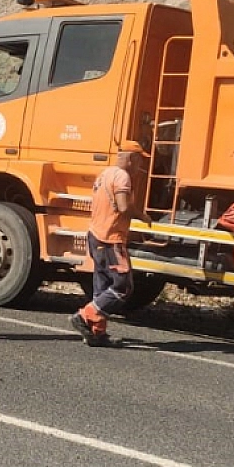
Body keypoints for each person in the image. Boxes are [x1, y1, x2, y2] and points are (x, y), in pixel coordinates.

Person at [71, 140, 148, 346]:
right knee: (123, 286)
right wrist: (142, 216)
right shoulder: (123, 177)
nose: (141, 163)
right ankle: (86, 314)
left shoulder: (106, 173)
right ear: (131, 158)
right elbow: (123, 207)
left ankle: (96, 333)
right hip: (111, 239)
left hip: (96, 234)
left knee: (102, 285)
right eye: (139, 158)